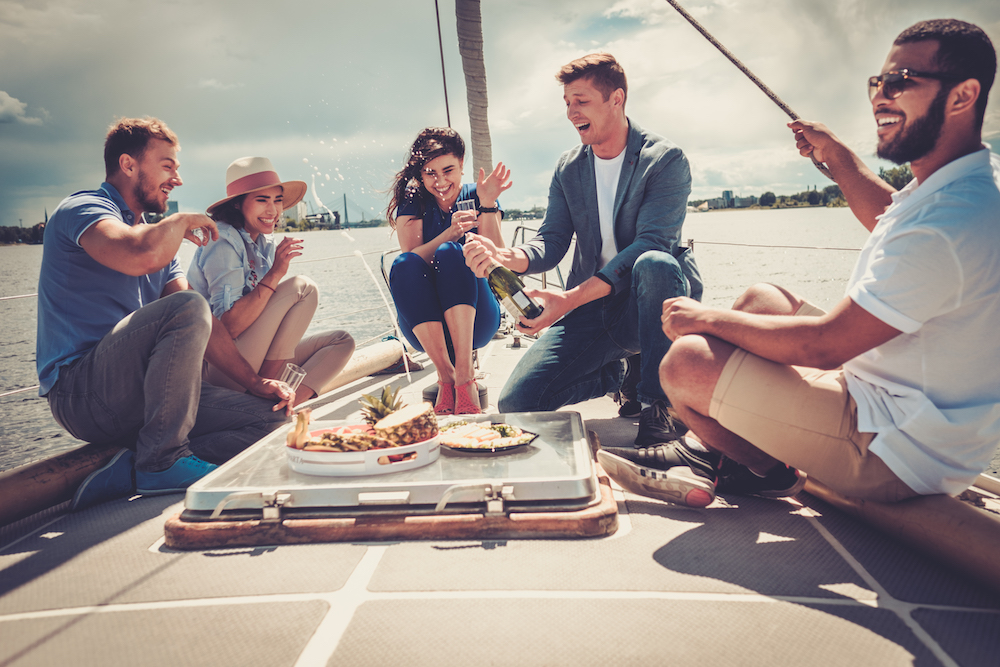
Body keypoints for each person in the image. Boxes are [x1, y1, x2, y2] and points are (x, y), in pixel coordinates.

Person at [598, 19, 1000, 509]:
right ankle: (718, 450)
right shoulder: (966, 183)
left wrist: (701, 318)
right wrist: (841, 159)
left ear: (963, 96)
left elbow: (825, 346)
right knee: (765, 300)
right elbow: (893, 217)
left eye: (902, 81)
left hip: (898, 450)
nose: (880, 95)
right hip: (897, 401)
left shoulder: (948, 222)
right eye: (878, 82)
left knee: (686, 364)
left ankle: (763, 472)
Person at [37, 117, 293, 510]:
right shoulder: (82, 208)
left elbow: (204, 325)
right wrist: (178, 221)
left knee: (269, 419)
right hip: (82, 393)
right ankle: (161, 462)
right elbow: (137, 254)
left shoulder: (159, 241)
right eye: (168, 166)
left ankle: (135, 466)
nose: (177, 179)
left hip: (143, 396)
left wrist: (256, 383)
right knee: (188, 306)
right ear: (128, 165)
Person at [463, 53, 702, 445]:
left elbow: (652, 242)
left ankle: (660, 407)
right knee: (518, 403)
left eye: (581, 101)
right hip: (595, 310)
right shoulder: (568, 167)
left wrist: (569, 299)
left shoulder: (665, 160)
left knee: (655, 263)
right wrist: (512, 258)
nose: (572, 112)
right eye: (567, 103)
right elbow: (552, 240)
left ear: (616, 99)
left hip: (653, 306)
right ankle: (617, 373)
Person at [187, 156, 355, 406]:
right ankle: (262, 394)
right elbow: (228, 327)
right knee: (303, 288)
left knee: (341, 342)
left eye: (278, 201)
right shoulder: (222, 239)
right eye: (262, 200)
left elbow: (263, 317)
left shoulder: (264, 244)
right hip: (219, 368)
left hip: (252, 360)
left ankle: (280, 406)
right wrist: (275, 273)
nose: (273, 210)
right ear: (237, 204)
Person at [386, 127, 512, 415]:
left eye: (448, 170)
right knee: (404, 263)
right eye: (430, 173)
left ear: (462, 165)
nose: (440, 181)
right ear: (420, 174)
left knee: (453, 254)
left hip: (479, 318)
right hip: (423, 323)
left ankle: (465, 376)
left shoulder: (478, 195)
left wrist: (488, 204)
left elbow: (500, 260)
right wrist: (450, 233)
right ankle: (447, 377)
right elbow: (412, 261)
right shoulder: (414, 201)